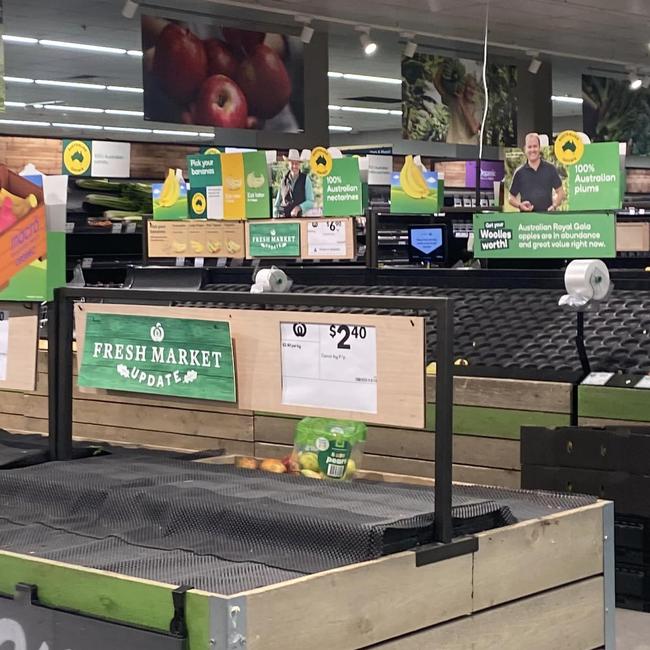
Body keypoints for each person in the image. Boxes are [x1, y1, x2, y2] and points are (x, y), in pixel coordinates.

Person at [508, 133, 566, 212]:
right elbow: (511, 197)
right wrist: (520, 205)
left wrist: (554, 206)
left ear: (539, 148)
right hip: (526, 221)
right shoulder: (519, 173)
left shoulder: (550, 168)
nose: (532, 150)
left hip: (547, 219)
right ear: (525, 149)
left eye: (535, 146)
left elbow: (560, 192)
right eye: (529, 147)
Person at [274, 149, 315, 218]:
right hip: (283, 219)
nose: (294, 166)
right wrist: (275, 215)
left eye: (297, 163)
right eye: (292, 163)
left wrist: (298, 208)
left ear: (300, 165)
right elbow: (277, 204)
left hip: (300, 219)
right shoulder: (283, 180)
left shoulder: (305, 179)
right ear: (288, 164)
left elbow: (310, 202)